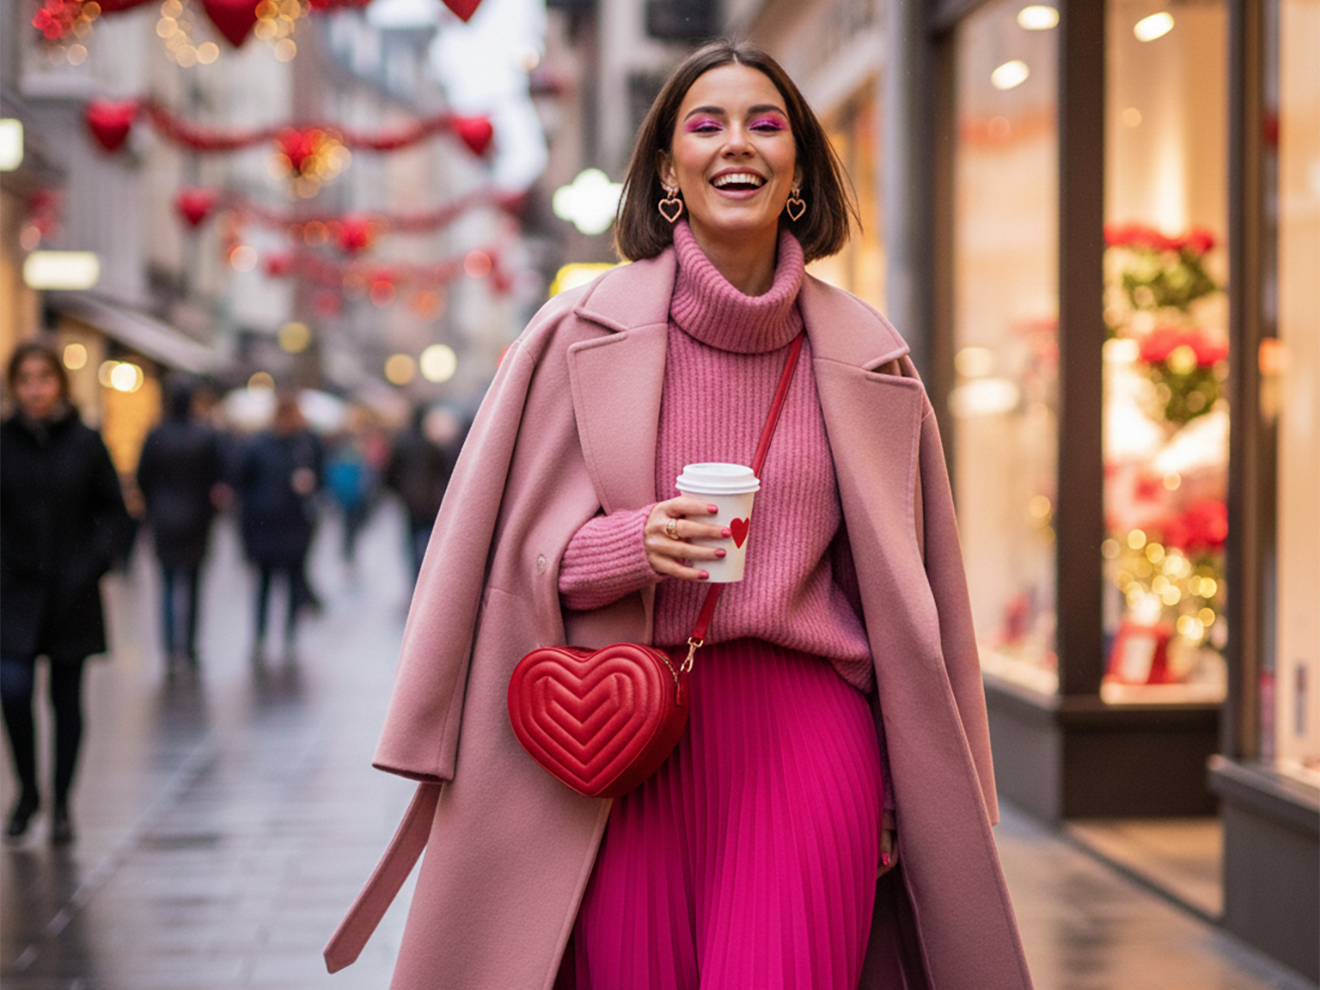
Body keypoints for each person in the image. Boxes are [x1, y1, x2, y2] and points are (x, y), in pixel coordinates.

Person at [329, 40, 1033, 990]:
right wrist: (636, 543)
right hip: (621, 736)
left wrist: (915, 782)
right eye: (705, 125)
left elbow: (918, 603)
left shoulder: (870, 355)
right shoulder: (576, 334)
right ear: (667, 169)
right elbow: (512, 563)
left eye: (765, 123)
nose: (734, 144)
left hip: (807, 738)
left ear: (798, 168)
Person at [0, 339, 132, 845]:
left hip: (71, 592)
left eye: (44, 379)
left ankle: (61, 804)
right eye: (25, 380)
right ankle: (27, 790)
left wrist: (95, 561)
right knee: (12, 689)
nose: (35, 390)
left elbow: (114, 513)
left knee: (66, 700)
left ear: (60, 383)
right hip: (13, 593)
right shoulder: (4, 441)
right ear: (15, 386)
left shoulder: (85, 442)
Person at [136, 376, 224, 674]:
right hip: (197, 519)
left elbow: (142, 476)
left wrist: (153, 507)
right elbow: (216, 477)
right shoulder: (204, 435)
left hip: (165, 520)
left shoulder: (157, 434)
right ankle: (189, 646)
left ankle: (170, 649)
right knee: (194, 586)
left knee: (168, 584)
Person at [235, 392, 322, 661]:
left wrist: (309, 483)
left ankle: (287, 637)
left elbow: (320, 477)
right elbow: (242, 481)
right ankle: (262, 637)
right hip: (267, 526)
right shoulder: (261, 445)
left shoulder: (304, 444)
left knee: (289, 585)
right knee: (265, 585)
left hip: (292, 526)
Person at [383, 404, 462, 581]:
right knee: (429, 541)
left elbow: (391, 472)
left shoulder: (402, 443)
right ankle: (426, 577)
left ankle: (416, 580)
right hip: (430, 500)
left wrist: (395, 491)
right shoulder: (430, 445)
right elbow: (444, 472)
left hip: (409, 501)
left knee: (411, 542)